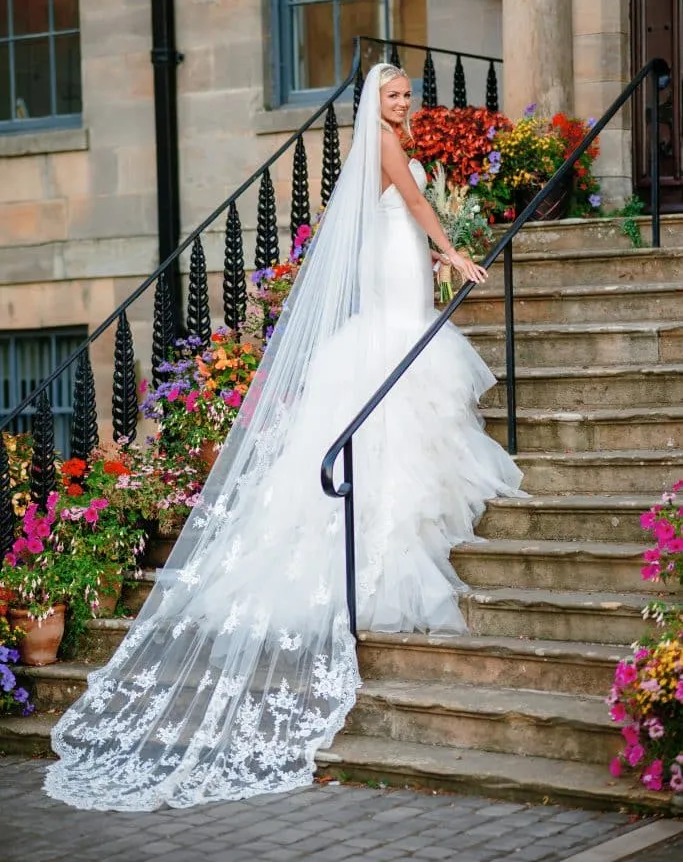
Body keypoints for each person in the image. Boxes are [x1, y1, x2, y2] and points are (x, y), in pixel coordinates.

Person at [44, 63, 524, 812]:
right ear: (375, 106)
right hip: (401, 276)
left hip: (400, 267)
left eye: (406, 96)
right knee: (400, 374)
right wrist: (455, 252)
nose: (403, 104)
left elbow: (402, 215)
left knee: (403, 374)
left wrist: (431, 254)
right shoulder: (386, 150)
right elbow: (419, 209)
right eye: (392, 97)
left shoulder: (384, 147)